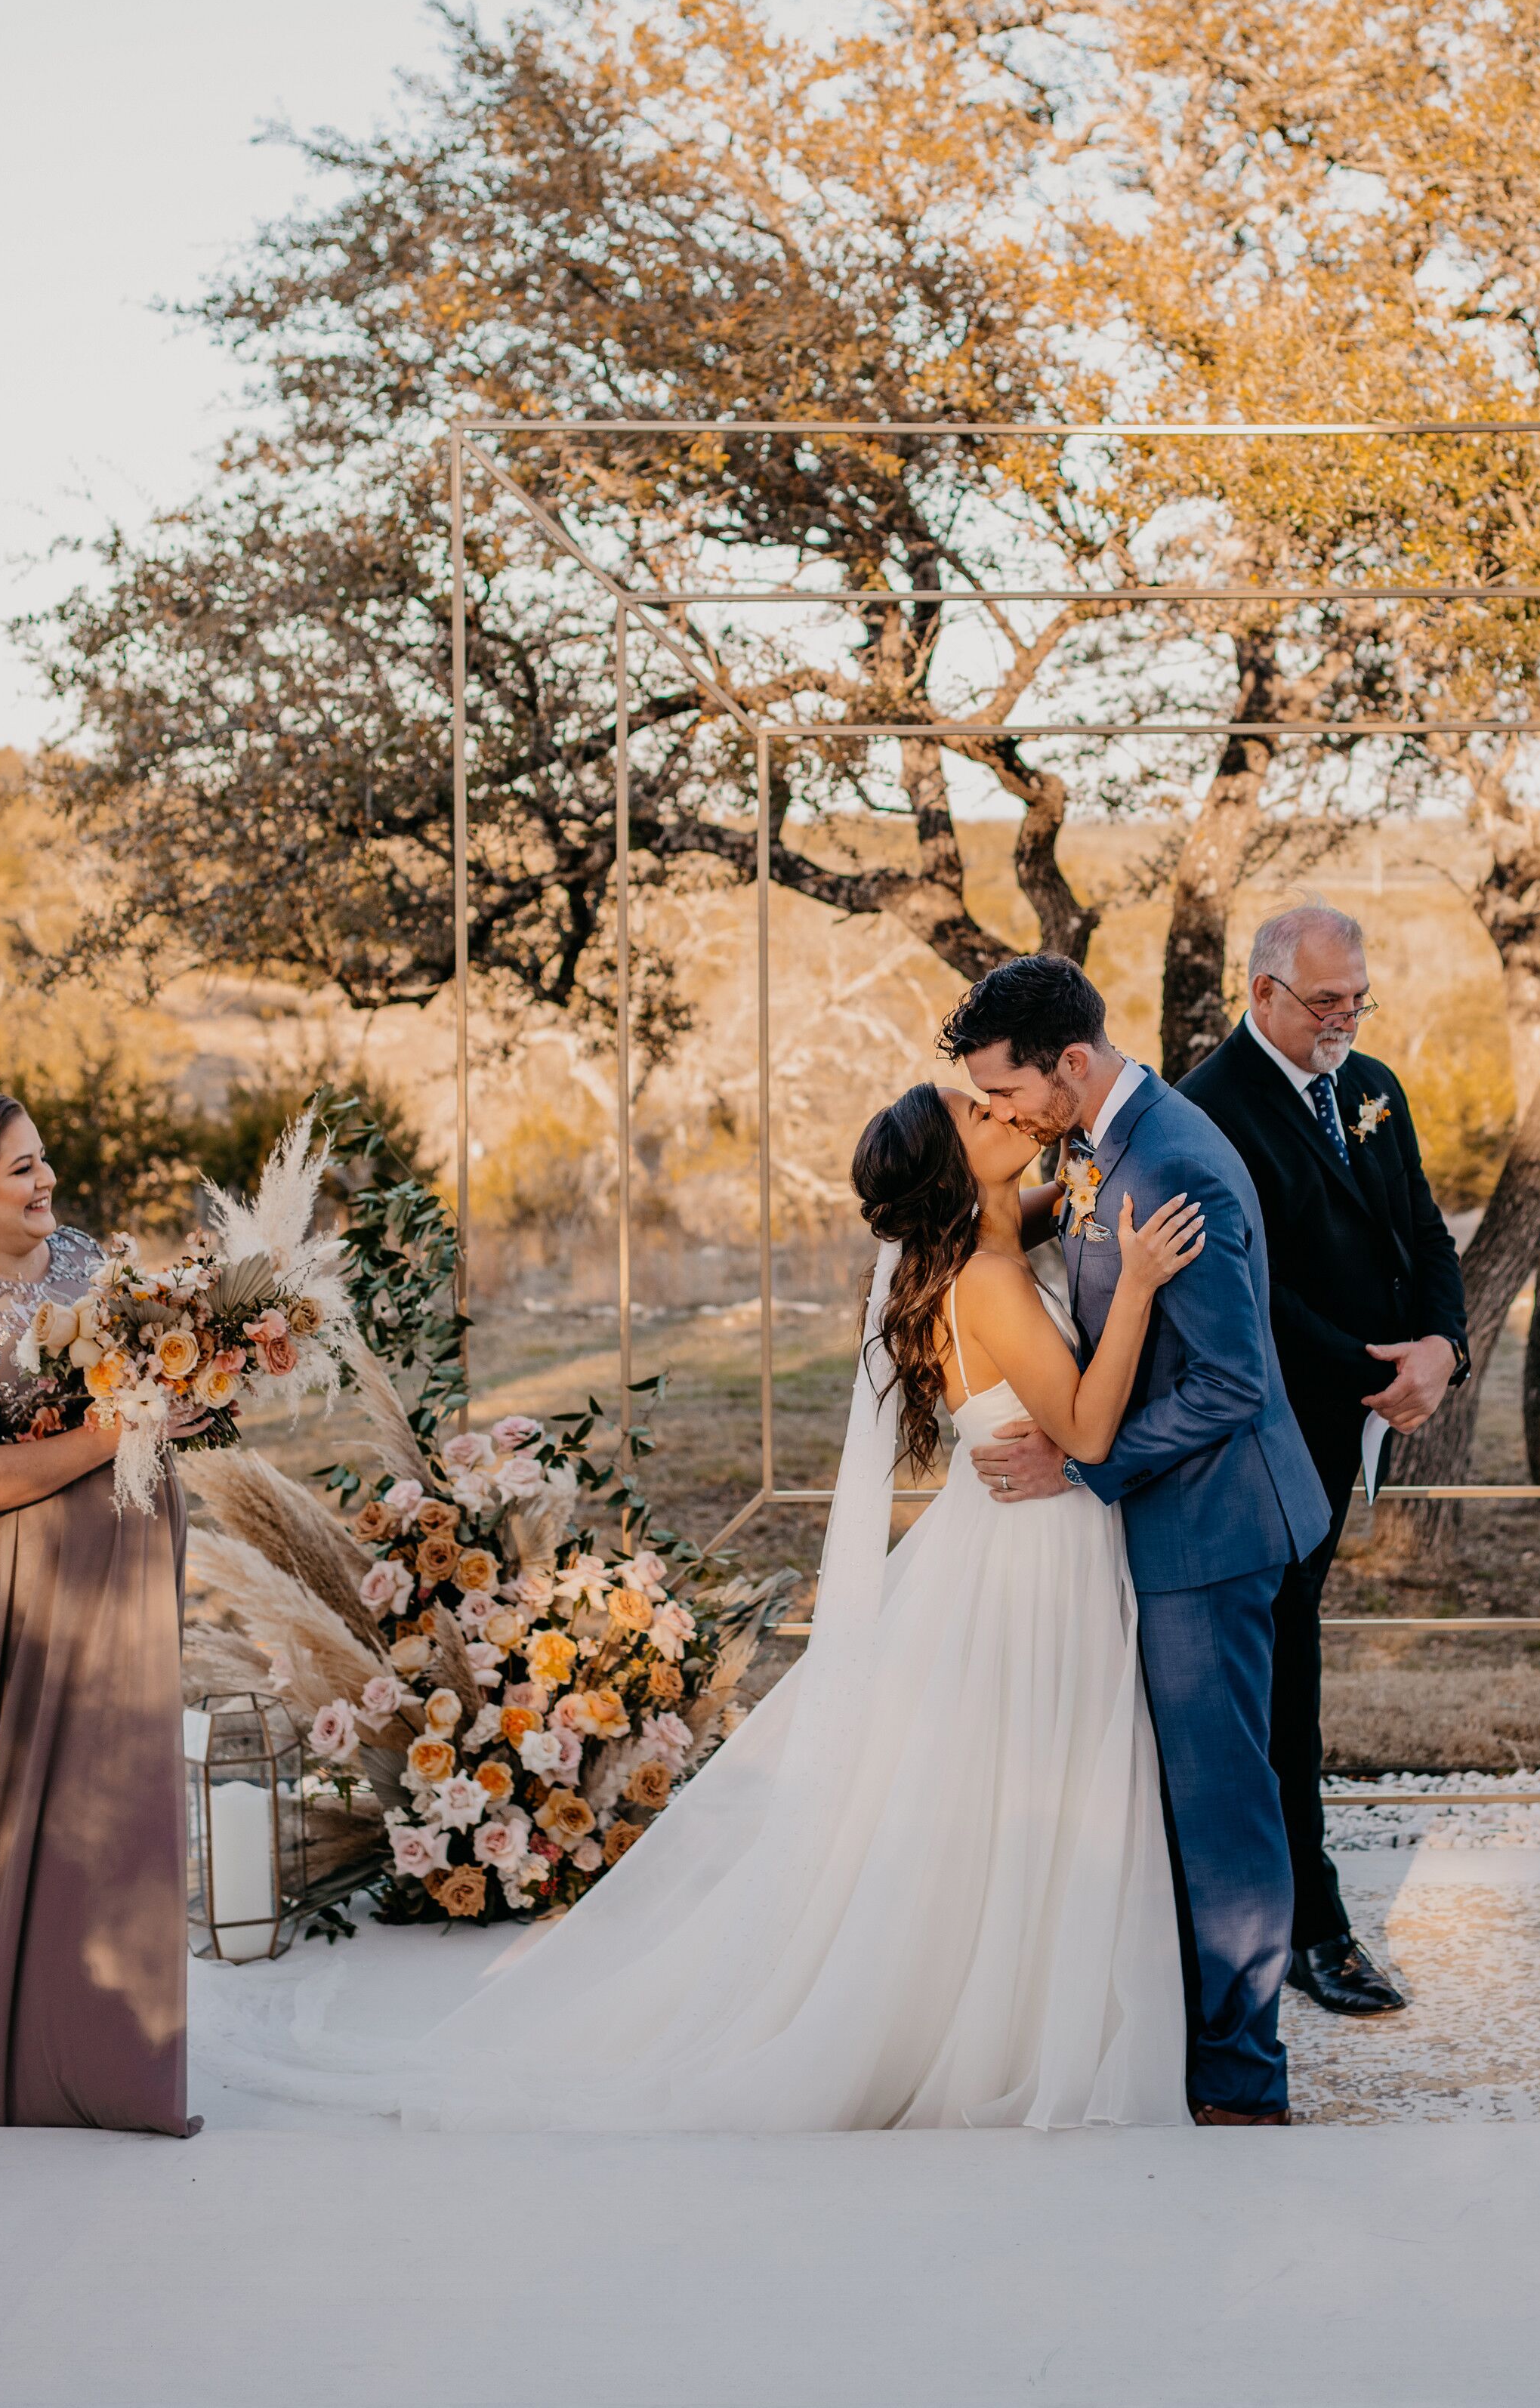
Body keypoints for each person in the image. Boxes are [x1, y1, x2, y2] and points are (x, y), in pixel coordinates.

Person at [197, 1077, 1203, 2131]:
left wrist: (1076, 1188)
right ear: (956, 1172)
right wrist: (1132, 1286)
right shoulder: (988, 1279)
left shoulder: (993, 1237)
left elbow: (1041, 1212)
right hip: (1032, 1554)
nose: (1008, 1115)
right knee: (1028, 1767)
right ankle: (1010, 2018)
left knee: (1005, 1779)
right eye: (980, 1116)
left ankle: (1023, 1997)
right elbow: (1088, 1434)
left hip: (1017, 1539)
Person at [943, 956, 1332, 2129]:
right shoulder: (1111, 1143)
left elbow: (1229, 1381)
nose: (999, 1115)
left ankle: (1242, 2078)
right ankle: (1183, 2037)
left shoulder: (1170, 1162)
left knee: (1224, 1809)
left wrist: (1081, 1457)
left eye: (1006, 1092)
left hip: (1214, 1523)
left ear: (1070, 1063)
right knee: (1195, 1797)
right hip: (1182, 1515)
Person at [1179, 903, 1469, 2017]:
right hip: (1264, 1439)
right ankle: (1308, 1927)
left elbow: (1427, 1233)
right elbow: (1252, 1293)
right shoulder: (1212, 1109)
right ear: (1261, 994)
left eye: (1356, 999)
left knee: (1293, 1663)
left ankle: (1282, 1914)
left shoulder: (1370, 1083)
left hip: (1355, 1419)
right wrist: (1376, 1370)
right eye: (1323, 1003)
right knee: (1280, 1678)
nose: (1345, 1020)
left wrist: (1444, 1347)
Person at [0, 1093, 192, 2132]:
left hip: (129, 1553)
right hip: (21, 1581)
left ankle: (116, 2057)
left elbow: (147, 1375)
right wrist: (125, 1429)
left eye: (44, 1160)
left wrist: (194, 1387)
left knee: (119, 1806)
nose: (46, 1182)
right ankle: (4, 2056)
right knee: (21, 1802)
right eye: (19, 1171)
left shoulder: (83, 1257)